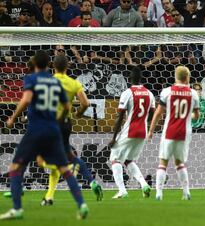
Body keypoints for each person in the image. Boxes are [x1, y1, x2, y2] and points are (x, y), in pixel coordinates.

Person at [0, 51, 88, 220]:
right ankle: (82, 204)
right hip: (53, 130)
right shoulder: (55, 82)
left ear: (34, 63)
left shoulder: (32, 79)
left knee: (15, 168)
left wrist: (12, 118)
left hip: (36, 129)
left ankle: (17, 208)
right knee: (65, 169)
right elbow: (68, 106)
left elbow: (26, 100)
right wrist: (58, 120)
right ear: (49, 65)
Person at [38, 55, 103, 205]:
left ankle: (65, 168)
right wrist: (78, 113)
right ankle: (51, 196)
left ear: (52, 66)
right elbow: (85, 103)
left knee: (40, 159)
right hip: (66, 124)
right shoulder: (74, 83)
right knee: (70, 155)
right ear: (68, 67)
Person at [148, 66, 200, 200]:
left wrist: (151, 130)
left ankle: (159, 193)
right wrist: (187, 116)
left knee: (163, 163)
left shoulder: (167, 92)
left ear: (175, 77)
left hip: (169, 131)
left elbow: (158, 113)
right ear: (187, 78)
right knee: (180, 163)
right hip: (184, 133)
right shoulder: (193, 94)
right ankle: (186, 192)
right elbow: (197, 116)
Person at [108, 66, 155, 199]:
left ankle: (122, 191)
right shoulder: (149, 93)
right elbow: (152, 113)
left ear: (130, 78)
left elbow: (120, 117)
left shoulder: (127, 93)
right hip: (143, 132)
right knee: (129, 160)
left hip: (130, 130)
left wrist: (113, 137)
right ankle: (144, 184)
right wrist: (144, 120)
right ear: (141, 79)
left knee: (115, 159)